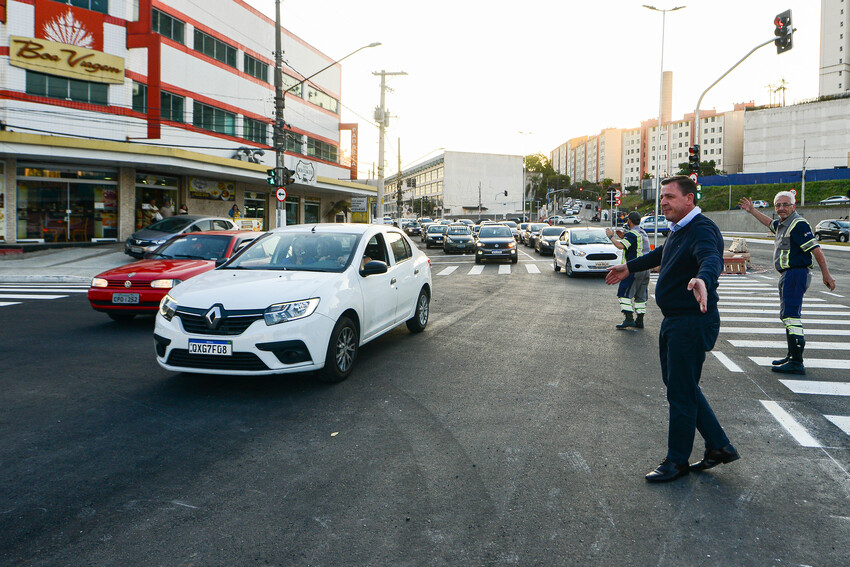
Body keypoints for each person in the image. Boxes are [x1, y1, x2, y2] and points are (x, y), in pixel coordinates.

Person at [606, 175, 738, 483]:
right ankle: (719, 445)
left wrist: (704, 279)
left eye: (669, 196)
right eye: (662, 196)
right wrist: (630, 266)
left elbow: (710, 258)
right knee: (682, 385)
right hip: (676, 320)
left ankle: (677, 461)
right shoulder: (681, 230)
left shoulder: (702, 229)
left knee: (680, 391)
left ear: (689, 199)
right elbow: (662, 254)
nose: (663, 201)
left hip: (691, 321)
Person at [738, 192, 836, 374]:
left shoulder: (798, 224)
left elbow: (816, 250)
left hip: (796, 274)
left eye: (785, 204)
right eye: (778, 205)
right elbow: (769, 222)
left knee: (791, 316)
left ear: (794, 206)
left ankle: (797, 362)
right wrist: (752, 210)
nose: (781, 208)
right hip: (788, 275)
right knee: (787, 316)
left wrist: (827, 275)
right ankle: (792, 355)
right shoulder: (784, 224)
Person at [606, 211, 650, 329]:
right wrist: (624, 236)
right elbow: (633, 243)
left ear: (629, 221)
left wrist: (611, 237)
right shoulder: (642, 233)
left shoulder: (631, 235)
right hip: (645, 268)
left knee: (624, 293)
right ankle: (640, 320)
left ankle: (629, 318)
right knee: (641, 295)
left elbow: (620, 246)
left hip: (633, 268)